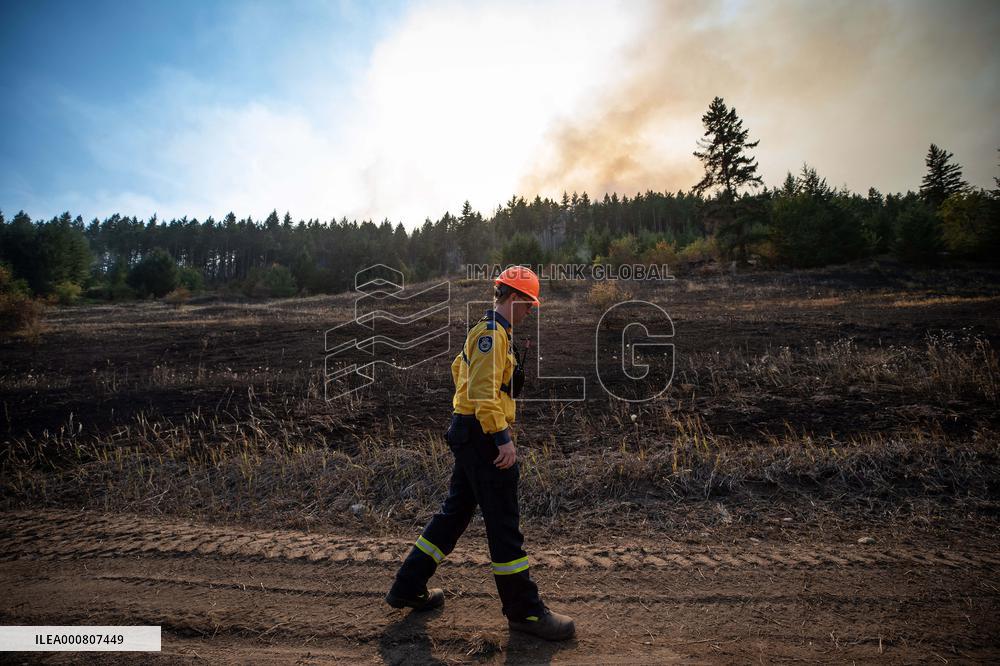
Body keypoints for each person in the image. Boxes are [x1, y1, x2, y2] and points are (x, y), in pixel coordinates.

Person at [385, 265, 575, 641]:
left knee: (455, 514)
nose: (529, 312)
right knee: (503, 523)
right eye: (529, 305)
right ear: (516, 298)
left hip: (470, 432)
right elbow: (485, 391)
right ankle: (526, 613)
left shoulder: (486, 332)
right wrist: (501, 436)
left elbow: (461, 371)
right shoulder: (492, 334)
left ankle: (409, 586)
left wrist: (473, 419)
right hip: (484, 437)